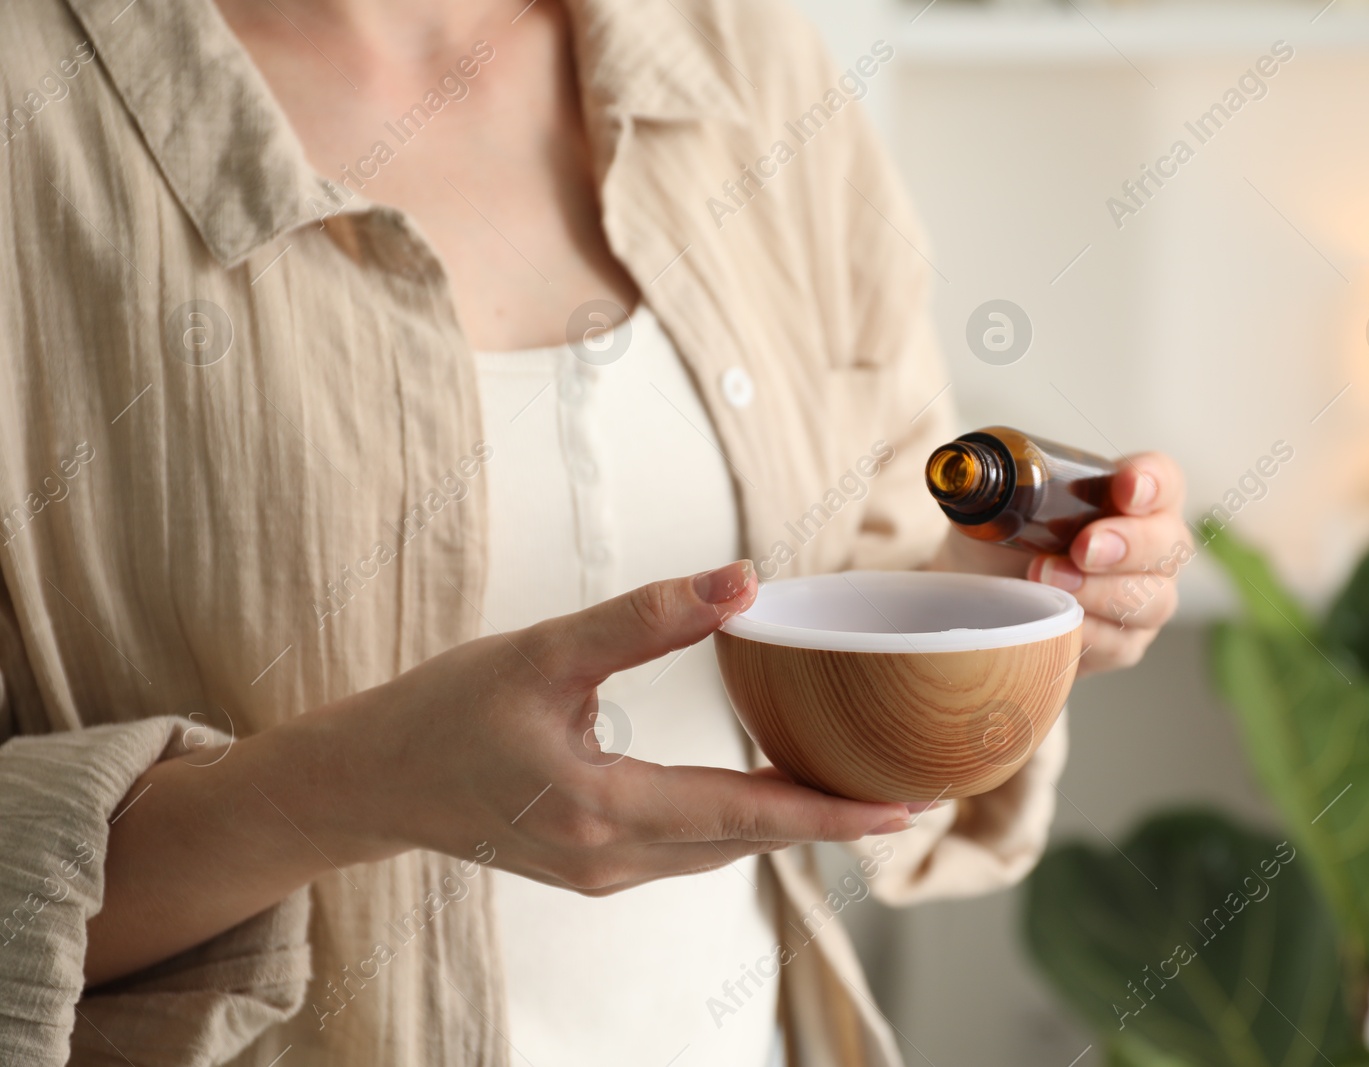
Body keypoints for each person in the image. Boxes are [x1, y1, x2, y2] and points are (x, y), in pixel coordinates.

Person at [0, 0, 1189, 1063]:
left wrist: (973, 600)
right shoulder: (34, 106)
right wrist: (351, 787)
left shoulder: (742, 55)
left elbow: (860, 556)